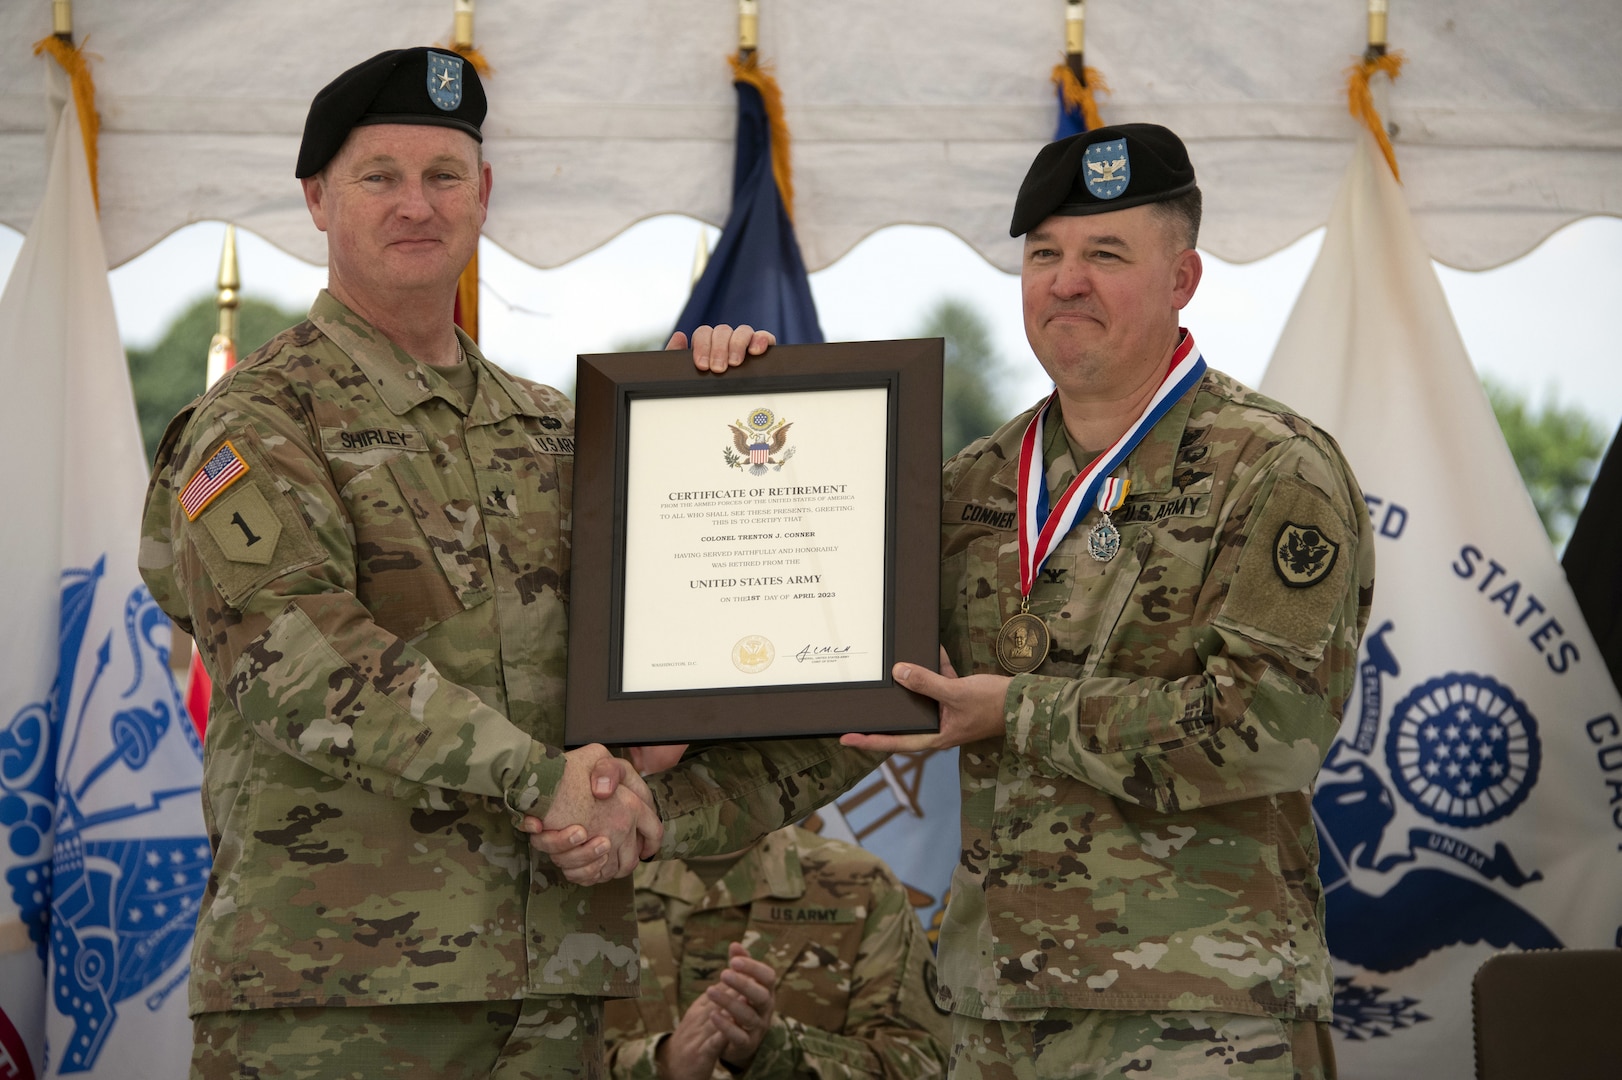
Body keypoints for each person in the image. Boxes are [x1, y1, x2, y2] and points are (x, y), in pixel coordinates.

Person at [552, 124, 1371, 1077]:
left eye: (1107, 254)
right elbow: (845, 719)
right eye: (1044, 255)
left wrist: (1011, 711)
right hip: (994, 1012)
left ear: (1183, 278)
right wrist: (658, 809)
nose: (1067, 281)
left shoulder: (1273, 469)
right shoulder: (969, 485)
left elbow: (1273, 726)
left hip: (1201, 1013)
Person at [140, 48, 880, 1080]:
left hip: (556, 993)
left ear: (482, 194)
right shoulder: (258, 422)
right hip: (338, 999)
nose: (416, 203)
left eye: (444, 175)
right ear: (315, 198)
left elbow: (681, 647)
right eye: (378, 176)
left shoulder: (560, 431)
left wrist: (730, 427)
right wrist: (546, 781)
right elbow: (293, 655)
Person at [602, 821, 950, 1080]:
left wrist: (772, 1048)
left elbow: (927, 1066)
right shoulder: (586, 886)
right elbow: (548, 1058)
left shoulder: (858, 883)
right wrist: (659, 1063)